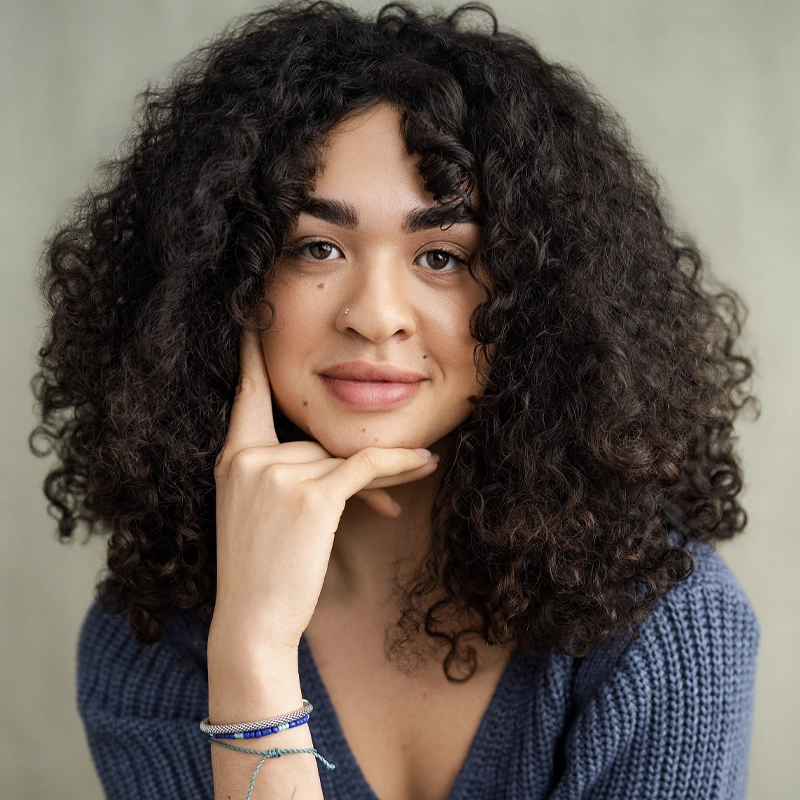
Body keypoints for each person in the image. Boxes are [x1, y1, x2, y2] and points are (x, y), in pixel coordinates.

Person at [32, 2, 759, 798]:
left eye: (442, 256)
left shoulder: (660, 621)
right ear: (221, 285)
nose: (375, 313)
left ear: (540, 303)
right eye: (317, 246)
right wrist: (253, 653)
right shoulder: (155, 639)